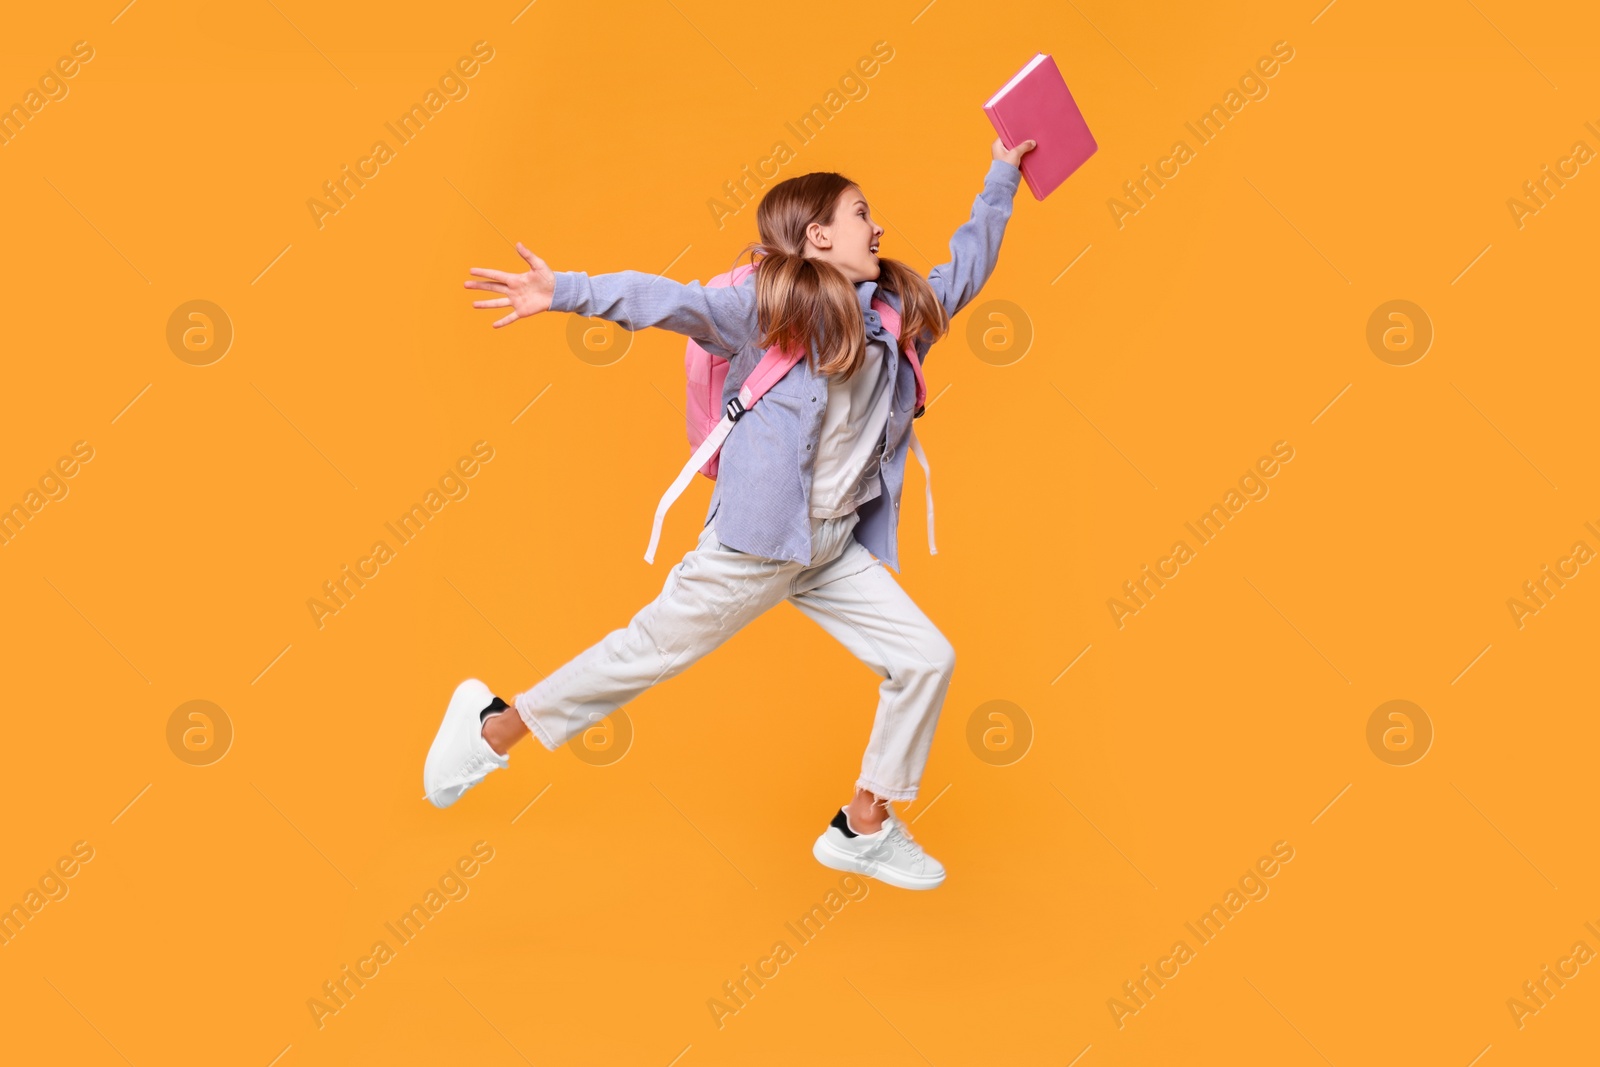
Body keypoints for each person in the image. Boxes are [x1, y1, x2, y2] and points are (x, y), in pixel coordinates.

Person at [426, 137, 1036, 890]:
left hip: (831, 548)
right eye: (860, 214)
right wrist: (565, 292)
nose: (876, 228)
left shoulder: (895, 315)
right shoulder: (766, 310)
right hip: (754, 548)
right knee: (644, 654)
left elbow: (966, 269)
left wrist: (1002, 174)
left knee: (925, 658)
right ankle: (490, 728)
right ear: (818, 236)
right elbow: (672, 300)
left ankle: (864, 823)